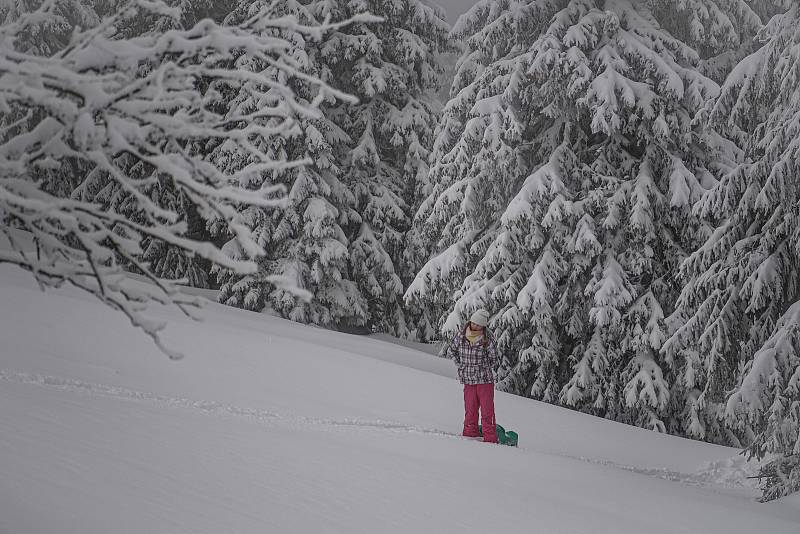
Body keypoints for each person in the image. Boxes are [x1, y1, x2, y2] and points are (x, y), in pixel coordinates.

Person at [447, 309, 499, 443]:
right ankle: (470, 436)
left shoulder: (487, 338)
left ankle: (490, 439)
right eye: (474, 323)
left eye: (479, 325)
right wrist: (460, 364)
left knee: (487, 412)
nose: (475, 326)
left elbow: (494, 358)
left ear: (483, 326)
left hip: (484, 380)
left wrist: (483, 366)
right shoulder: (461, 335)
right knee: (470, 410)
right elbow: (451, 350)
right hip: (468, 379)